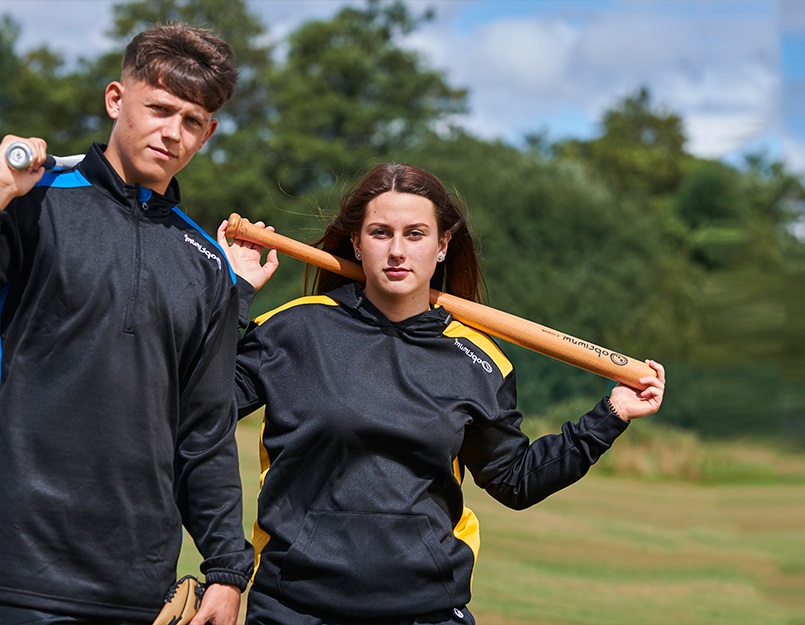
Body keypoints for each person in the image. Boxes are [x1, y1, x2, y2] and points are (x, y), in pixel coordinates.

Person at [223, 162, 666, 624]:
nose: (397, 251)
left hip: (426, 610)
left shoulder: (477, 359)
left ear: (442, 245)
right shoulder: (296, 328)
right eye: (380, 233)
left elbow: (516, 481)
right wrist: (234, 296)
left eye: (415, 234)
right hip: (294, 607)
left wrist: (612, 414)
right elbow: (203, 407)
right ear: (356, 242)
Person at [0, 24, 261, 625]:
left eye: (193, 120)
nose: (173, 133)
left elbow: (206, 427)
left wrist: (225, 570)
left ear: (209, 133)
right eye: (160, 109)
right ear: (116, 99)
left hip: (136, 584)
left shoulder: (205, 262)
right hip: (16, 570)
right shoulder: (34, 204)